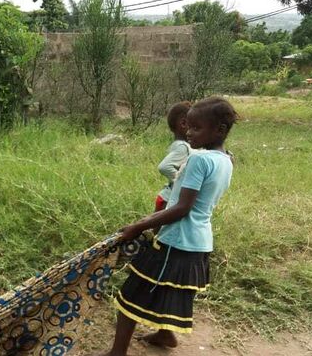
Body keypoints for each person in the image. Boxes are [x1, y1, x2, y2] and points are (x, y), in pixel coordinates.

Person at [96, 96, 238, 356]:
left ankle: (117, 353)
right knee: (169, 291)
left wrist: (138, 226)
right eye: (188, 126)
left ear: (219, 130)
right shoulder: (227, 160)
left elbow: (181, 208)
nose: (189, 132)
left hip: (177, 240)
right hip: (199, 243)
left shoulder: (199, 160)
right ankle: (165, 334)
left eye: (196, 128)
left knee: (130, 296)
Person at [155, 101, 192, 213]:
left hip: (169, 198)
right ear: (184, 124)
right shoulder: (182, 147)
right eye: (195, 125)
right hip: (169, 200)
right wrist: (181, 182)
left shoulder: (182, 145)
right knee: (160, 230)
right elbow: (164, 167)